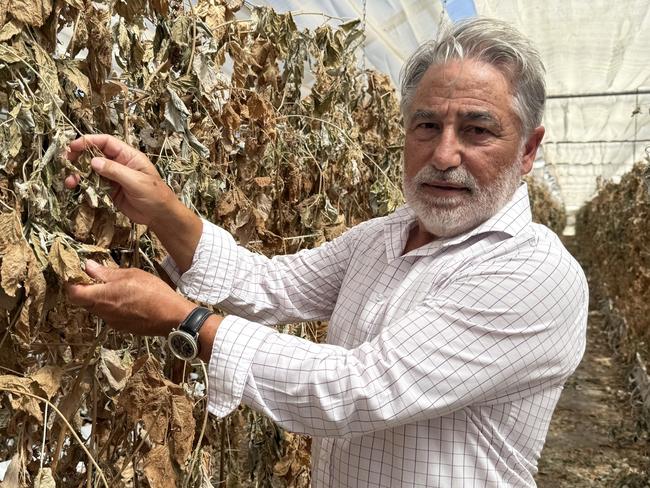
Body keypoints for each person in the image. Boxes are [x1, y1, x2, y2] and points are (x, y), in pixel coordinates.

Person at [66, 17, 588, 488]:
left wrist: (185, 321)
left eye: (477, 130)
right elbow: (271, 285)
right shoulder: (386, 235)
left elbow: (355, 390)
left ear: (528, 149)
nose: (444, 154)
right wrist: (163, 211)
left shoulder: (533, 274)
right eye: (427, 126)